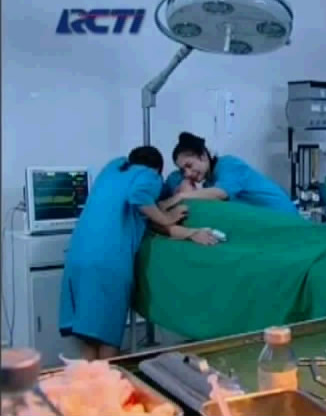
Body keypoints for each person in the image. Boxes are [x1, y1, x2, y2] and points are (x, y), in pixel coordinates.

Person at [58, 146, 218, 361]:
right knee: (108, 338)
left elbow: (144, 207)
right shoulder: (148, 177)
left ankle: (89, 380)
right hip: (107, 264)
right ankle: (109, 379)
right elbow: (143, 201)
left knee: (89, 335)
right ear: (157, 170)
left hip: (77, 258)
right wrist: (171, 219)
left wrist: (169, 210)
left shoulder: (112, 169)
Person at [160, 132, 298, 214]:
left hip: (283, 216)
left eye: (189, 166)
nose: (187, 173)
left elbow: (221, 193)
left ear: (202, 156)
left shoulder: (228, 165)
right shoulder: (210, 183)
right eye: (183, 170)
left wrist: (180, 196)